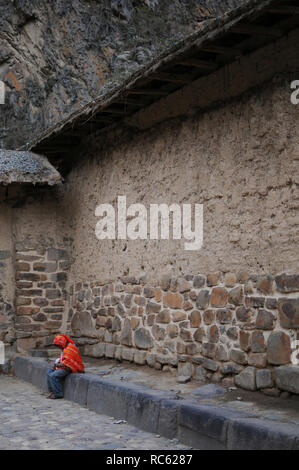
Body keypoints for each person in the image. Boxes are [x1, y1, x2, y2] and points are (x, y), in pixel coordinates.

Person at [46, 334, 84, 399]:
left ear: (62, 343)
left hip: (71, 367)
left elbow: (67, 362)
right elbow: (63, 359)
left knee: (53, 375)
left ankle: (58, 394)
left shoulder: (70, 348)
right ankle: (52, 391)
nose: (58, 347)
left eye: (59, 346)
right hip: (64, 366)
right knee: (48, 372)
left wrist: (58, 365)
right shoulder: (65, 347)